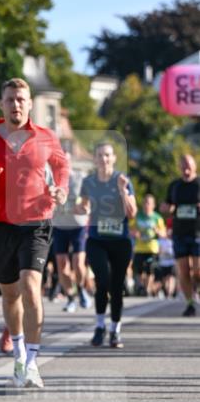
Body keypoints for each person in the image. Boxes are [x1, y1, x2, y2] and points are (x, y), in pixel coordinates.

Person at [0, 77, 69, 389]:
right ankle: (18, 348)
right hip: (1, 225)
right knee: (10, 294)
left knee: (31, 286)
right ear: (2, 104)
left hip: (36, 221)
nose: (16, 104)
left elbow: (62, 166)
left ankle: (32, 362)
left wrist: (61, 189)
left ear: (30, 103)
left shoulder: (45, 137)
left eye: (21, 99)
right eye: (10, 99)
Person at [77, 141, 137, 348]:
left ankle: (115, 330)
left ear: (113, 158)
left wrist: (122, 191)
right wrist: (77, 209)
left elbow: (132, 213)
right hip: (97, 240)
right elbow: (82, 207)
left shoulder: (123, 180)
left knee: (117, 286)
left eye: (107, 155)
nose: (104, 159)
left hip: (120, 241)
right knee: (102, 281)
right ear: (95, 159)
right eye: (100, 155)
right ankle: (100, 326)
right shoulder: (89, 182)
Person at [161, 153, 199, 317]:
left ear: (195, 166)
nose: (186, 169)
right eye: (183, 166)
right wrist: (166, 208)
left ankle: (196, 287)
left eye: (188, 166)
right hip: (179, 233)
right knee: (183, 271)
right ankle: (190, 303)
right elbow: (167, 205)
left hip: (198, 232)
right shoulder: (174, 186)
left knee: (198, 270)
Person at [51, 166, 91, 312]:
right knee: (62, 265)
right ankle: (70, 297)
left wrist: (86, 208)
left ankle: (81, 289)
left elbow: (88, 200)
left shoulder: (79, 177)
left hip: (78, 225)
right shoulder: (50, 177)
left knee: (78, 263)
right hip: (59, 226)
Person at [131, 194, 166, 297]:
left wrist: (158, 231)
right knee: (138, 270)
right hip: (139, 248)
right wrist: (135, 233)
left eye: (149, 203)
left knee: (150, 269)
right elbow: (131, 228)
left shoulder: (157, 217)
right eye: (145, 202)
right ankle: (141, 286)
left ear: (153, 205)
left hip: (152, 249)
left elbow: (164, 233)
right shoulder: (138, 216)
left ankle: (147, 289)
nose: (146, 205)